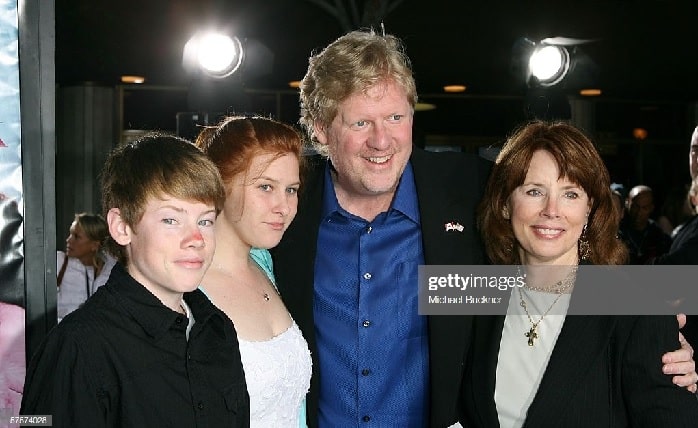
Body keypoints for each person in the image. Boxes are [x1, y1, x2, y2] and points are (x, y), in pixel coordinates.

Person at [270, 29, 697, 427]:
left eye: (396, 117)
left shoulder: (467, 190)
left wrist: (653, 320)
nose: (383, 141)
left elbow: (545, 266)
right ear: (322, 130)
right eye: (361, 122)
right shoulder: (286, 208)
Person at [460, 120, 698, 428]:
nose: (551, 210)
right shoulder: (474, 293)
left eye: (570, 194)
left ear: (589, 209)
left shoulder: (638, 307)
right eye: (534, 191)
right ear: (505, 204)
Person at [21, 134, 250, 427]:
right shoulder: (77, 346)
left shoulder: (217, 330)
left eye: (205, 221)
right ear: (122, 227)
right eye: (171, 220)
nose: (196, 239)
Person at [194, 116, 312, 428]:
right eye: (265, 187)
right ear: (220, 185)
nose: (283, 206)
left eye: (291, 189)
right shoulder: (185, 287)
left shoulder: (266, 263)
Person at [56, 212, 116, 321]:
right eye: (70, 234)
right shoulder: (59, 262)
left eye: (76, 237)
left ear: (94, 245)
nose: (69, 240)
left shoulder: (111, 273)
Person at [619, 185, 672, 264]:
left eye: (645, 208)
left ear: (651, 208)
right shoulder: (617, 232)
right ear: (627, 203)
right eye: (635, 206)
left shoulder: (659, 237)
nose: (639, 212)